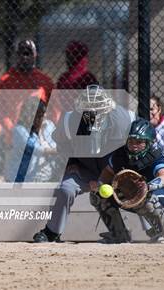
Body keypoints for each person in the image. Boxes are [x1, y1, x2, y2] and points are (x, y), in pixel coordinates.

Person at [33, 85, 135, 242]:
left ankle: (152, 230)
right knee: (66, 189)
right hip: (85, 168)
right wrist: (72, 161)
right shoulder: (70, 120)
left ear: (108, 106)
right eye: (88, 108)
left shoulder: (123, 120)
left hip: (115, 170)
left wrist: (110, 176)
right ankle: (52, 232)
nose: (93, 112)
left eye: (97, 107)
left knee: (138, 188)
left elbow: (134, 148)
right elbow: (62, 144)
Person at [91, 119, 164, 243]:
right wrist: (99, 185)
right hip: (139, 195)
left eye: (139, 142)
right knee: (97, 196)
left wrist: (147, 186)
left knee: (146, 196)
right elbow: (106, 174)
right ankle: (119, 235)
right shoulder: (120, 155)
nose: (134, 145)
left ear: (149, 143)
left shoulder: (154, 157)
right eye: (131, 141)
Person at [0, 39, 61, 147]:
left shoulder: (45, 81)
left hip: (40, 139)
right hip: (13, 140)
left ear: (35, 55)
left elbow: (55, 110)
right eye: (21, 53)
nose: (25, 57)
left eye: (28, 53)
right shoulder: (5, 81)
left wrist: (50, 131)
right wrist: (11, 129)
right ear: (17, 55)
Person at [5, 102, 56, 182]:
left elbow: (54, 144)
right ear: (30, 114)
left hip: (44, 177)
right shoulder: (20, 130)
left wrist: (42, 131)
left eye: (44, 112)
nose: (44, 116)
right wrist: (58, 150)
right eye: (40, 113)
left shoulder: (49, 125)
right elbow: (35, 149)